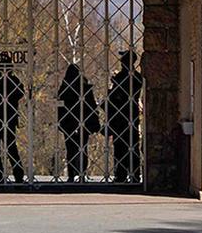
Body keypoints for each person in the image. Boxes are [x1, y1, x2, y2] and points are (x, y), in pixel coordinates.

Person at [0, 63, 26, 184]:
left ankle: (14, 175)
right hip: (1, 119)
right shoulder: (9, 82)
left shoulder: (9, 82)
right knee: (0, 147)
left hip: (1, 119)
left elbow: (19, 93)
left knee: (6, 147)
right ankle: (5, 175)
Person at [106, 50, 143, 184]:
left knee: (123, 147)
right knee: (129, 147)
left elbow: (118, 96)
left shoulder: (125, 78)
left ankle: (123, 175)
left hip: (122, 116)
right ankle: (131, 174)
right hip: (128, 116)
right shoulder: (136, 77)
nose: (121, 62)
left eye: (123, 60)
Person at [56, 64, 97, 183]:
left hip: (69, 123)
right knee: (82, 148)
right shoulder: (85, 88)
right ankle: (82, 174)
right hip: (82, 122)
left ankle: (71, 174)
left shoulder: (65, 87)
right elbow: (92, 106)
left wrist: (61, 121)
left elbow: (61, 106)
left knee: (71, 149)